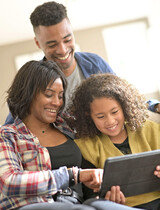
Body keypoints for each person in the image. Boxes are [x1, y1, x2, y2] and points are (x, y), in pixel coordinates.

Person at [0, 60, 111, 210]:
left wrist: (102, 192)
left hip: (72, 207)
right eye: (49, 94)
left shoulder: (68, 128)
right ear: (28, 93)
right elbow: (9, 182)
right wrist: (72, 175)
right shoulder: (7, 134)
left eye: (60, 96)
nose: (57, 102)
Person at [4, 1, 159, 125]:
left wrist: (154, 105)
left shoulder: (95, 64)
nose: (63, 50)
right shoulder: (32, 79)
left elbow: (126, 98)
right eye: (52, 45)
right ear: (38, 43)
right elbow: (10, 127)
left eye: (67, 39)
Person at [65, 72, 160, 210]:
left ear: (124, 107)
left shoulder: (150, 130)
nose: (110, 121)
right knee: (94, 206)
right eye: (100, 116)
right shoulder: (85, 147)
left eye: (115, 112)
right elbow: (90, 194)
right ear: (88, 116)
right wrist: (107, 199)